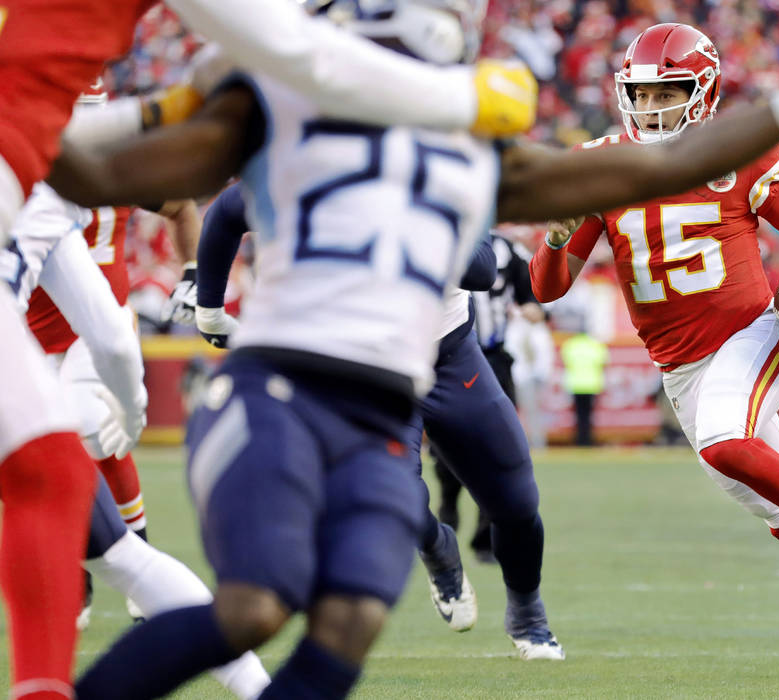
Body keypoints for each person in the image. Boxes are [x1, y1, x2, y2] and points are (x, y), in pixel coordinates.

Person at [48, 11, 779, 696]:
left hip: (396, 400)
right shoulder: (279, 123)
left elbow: (578, 214)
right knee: (256, 605)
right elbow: (130, 173)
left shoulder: (478, 163)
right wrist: (84, 121)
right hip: (280, 386)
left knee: (353, 617)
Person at [0, 0, 536, 693]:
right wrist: (461, 95)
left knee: (59, 481)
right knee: (174, 560)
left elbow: (62, 153)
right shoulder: (293, 110)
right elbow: (292, 49)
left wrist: (159, 112)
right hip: (280, 379)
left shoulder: (42, 136)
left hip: (381, 393)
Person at [529, 22, 779, 683]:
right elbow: (546, 288)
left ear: (705, 91)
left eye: (669, 93)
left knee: (725, 440)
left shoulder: (737, 155)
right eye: (643, 94)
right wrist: (554, 237)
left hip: (754, 332)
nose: (654, 108)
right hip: (681, 367)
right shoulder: (600, 165)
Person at [192, 184, 564, 660]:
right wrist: (209, 307)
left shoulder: (434, 167)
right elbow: (225, 212)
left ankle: (527, 612)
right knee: (391, 498)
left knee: (515, 498)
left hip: (449, 356)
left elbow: (481, 269)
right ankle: (437, 546)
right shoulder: (309, 164)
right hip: (368, 371)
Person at [2, 181, 271, 698]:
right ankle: (258, 687)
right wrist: (132, 408)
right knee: (124, 556)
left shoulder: (49, 185)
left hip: (33, 370)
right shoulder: (49, 182)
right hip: (31, 373)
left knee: (112, 544)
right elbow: (114, 340)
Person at [435, 231, 543, 561]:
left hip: (493, 358)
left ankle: (486, 539)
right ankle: (448, 502)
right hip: (449, 354)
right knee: (446, 449)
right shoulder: (441, 230)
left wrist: (527, 310)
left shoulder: (509, 251)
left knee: (495, 449)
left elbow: (534, 302)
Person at [560, 328, 609, 446]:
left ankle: (580, 440)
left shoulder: (570, 345)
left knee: (579, 415)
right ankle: (587, 440)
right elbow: (603, 362)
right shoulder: (595, 345)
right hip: (592, 385)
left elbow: (566, 361)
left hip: (575, 385)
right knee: (588, 415)